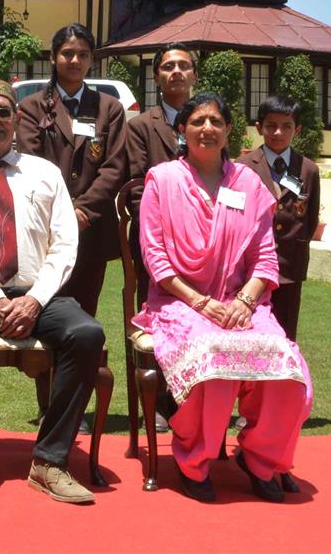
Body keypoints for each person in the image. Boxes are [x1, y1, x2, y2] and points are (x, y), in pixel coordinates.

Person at [0, 79, 104, 506]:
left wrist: (35, 299)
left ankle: (50, 460)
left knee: (87, 334)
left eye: (2, 112)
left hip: (40, 292)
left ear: (16, 119)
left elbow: (65, 245)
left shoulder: (45, 174)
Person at [134, 93, 311, 503]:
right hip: (179, 302)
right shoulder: (162, 180)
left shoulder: (247, 183)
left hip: (240, 301)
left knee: (285, 365)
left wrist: (246, 301)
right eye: (197, 121)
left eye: (216, 121)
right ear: (182, 130)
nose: (207, 129)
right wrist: (199, 302)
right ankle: (194, 458)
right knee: (214, 355)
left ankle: (260, 458)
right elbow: (155, 257)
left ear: (230, 129)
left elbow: (266, 256)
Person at [16, 23, 128, 318]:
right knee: (46, 312)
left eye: (83, 54)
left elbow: (114, 168)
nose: (75, 61)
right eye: (67, 53)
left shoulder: (109, 109)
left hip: (91, 229)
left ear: (92, 59)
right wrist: (64, 213)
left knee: (86, 311)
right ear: (53, 57)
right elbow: (31, 163)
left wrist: (84, 211)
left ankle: (86, 366)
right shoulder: (31, 107)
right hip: (46, 228)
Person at [126, 44, 195, 432]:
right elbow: (136, 186)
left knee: (196, 319)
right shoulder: (140, 126)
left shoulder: (207, 120)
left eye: (184, 66)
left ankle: (189, 399)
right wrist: (167, 230)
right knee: (155, 321)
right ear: (156, 76)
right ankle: (154, 403)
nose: (176, 72)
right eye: (168, 66)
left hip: (205, 243)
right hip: (156, 243)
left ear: (194, 75)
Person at [238, 96, 320, 342]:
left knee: (285, 334)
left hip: (289, 266)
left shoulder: (308, 169)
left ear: (298, 129)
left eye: (287, 126)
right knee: (249, 332)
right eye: (271, 125)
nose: (278, 132)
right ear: (259, 127)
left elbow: (311, 218)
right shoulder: (242, 167)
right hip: (249, 268)